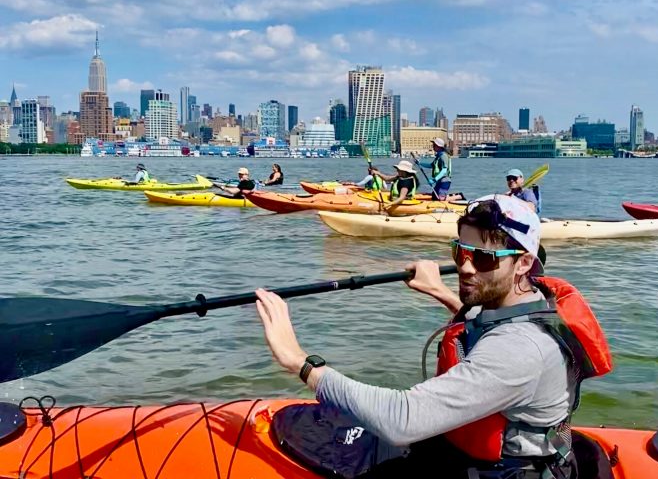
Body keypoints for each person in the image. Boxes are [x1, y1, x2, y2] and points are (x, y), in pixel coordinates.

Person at [254, 194, 611, 478]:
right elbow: (492, 326)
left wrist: (300, 362)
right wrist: (439, 291)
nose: (466, 267)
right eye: (461, 252)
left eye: (484, 259)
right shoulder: (529, 299)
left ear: (523, 263)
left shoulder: (520, 350)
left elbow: (402, 421)